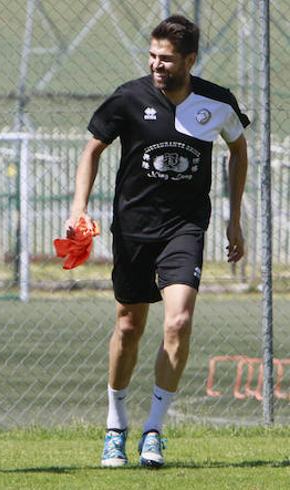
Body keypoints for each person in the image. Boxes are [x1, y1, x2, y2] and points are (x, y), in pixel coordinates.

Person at [66, 15, 249, 468]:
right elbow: (92, 147)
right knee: (129, 327)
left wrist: (234, 219)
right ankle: (115, 426)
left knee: (178, 322)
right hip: (132, 228)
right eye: (152, 57)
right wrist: (77, 209)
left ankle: (153, 430)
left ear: (190, 59)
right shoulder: (128, 98)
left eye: (166, 59)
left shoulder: (217, 102)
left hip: (185, 227)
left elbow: (238, 149)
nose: (156, 65)